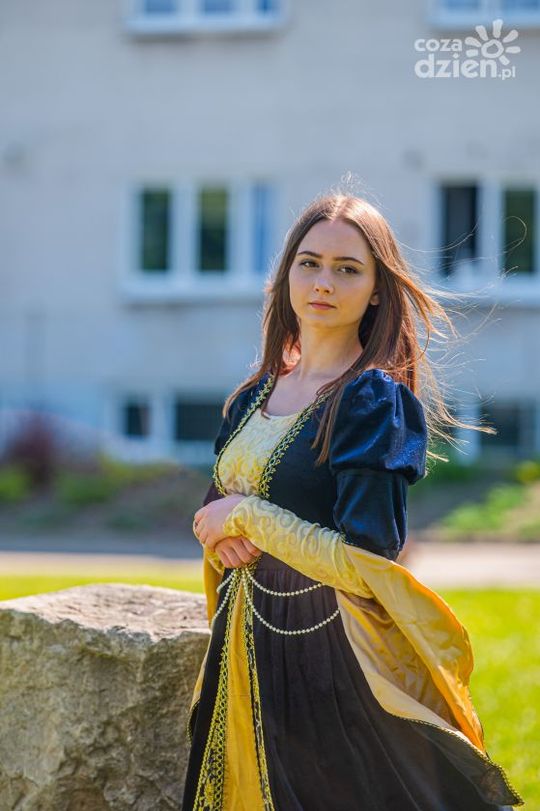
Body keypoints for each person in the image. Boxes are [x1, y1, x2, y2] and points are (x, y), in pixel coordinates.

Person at [182, 193, 523, 810]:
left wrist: (247, 517)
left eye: (347, 269)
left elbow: (369, 559)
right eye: (309, 263)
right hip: (241, 650)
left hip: (328, 659)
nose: (323, 282)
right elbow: (218, 505)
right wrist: (217, 529)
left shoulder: (371, 401)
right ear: (286, 273)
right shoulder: (253, 395)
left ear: (376, 292)